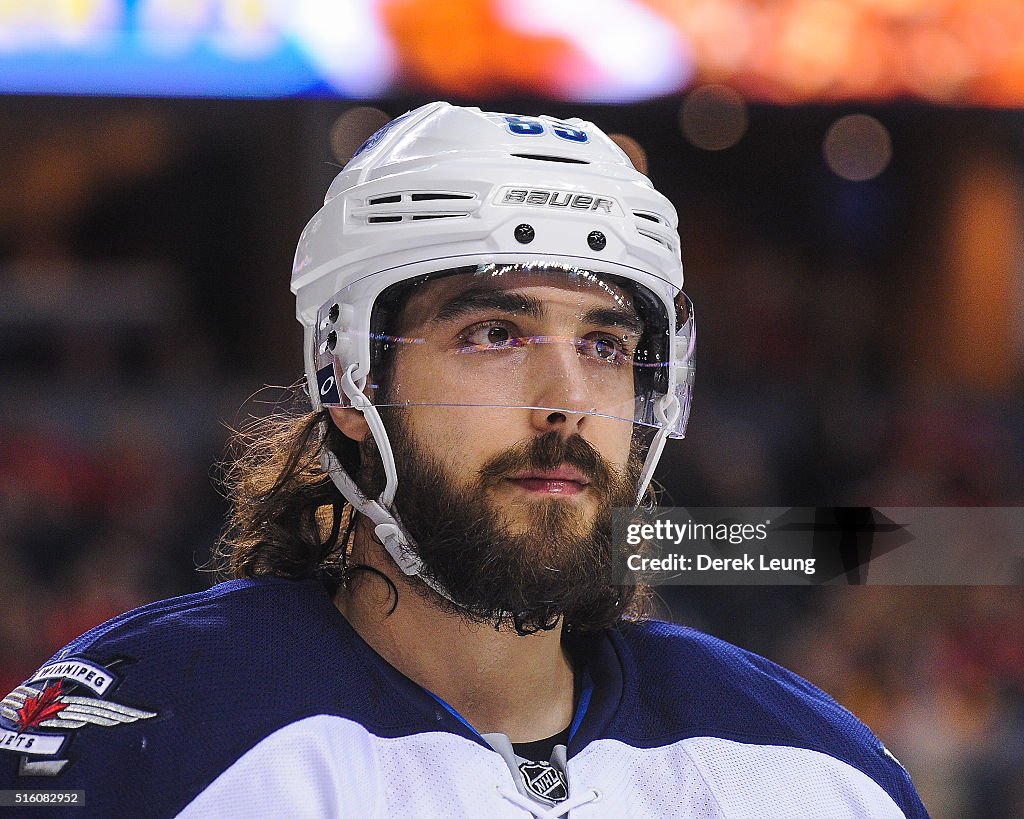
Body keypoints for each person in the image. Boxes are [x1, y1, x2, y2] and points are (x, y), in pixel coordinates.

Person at [0, 102, 928, 817]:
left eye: (605, 344)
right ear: (349, 378)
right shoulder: (150, 740)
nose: (565, 396)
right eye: (494, 332)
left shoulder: (813, 772)